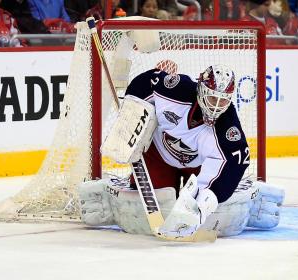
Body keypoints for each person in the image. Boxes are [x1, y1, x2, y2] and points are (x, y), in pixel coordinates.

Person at [78, 64, 284, 238]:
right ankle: (108, 195)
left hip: (197, 166)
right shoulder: (176, 90)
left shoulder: (228, 125)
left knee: (216, 208)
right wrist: (131, 116)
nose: (217, 107)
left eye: (223, 101)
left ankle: (253, 198)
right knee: (155, 202)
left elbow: (235, 163)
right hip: (158, 154)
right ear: (201, 90)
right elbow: (145, 82)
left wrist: (206, 201)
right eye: (213, 99)